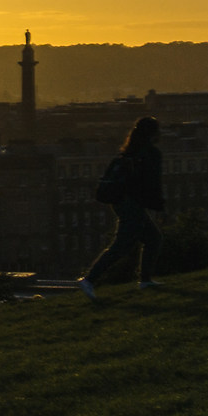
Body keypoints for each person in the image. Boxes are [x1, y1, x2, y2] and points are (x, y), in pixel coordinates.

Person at [78, 115, 165, 301]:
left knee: (153, 238)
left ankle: (146, 279)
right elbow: (153, 183)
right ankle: (89, 279)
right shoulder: (151, 153)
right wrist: (159, 207)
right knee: (121, 246)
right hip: (133, 204)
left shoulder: (127, 153)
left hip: (120, 202)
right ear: (153, 133)